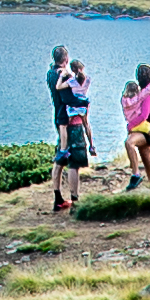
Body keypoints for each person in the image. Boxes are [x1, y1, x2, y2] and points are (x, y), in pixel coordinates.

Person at [55, 59, 94, 212]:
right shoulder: (87, 81)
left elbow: (59, 87)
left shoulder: (70, 81)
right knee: (75, 166)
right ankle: (75, 198)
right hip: (80, 125)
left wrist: (63, 75)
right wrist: (91, 143)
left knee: (69, 163)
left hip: (69, 121)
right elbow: (87, 124)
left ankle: (70, 197)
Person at [123, 61, 150, 190]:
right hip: (148, 129)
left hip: (144, 130)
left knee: (129, 143)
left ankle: (136, 175)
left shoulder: (146, 97)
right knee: (147, 162)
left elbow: (144, 116)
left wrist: (130, 125)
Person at [46, 43, 76, 211]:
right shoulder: (62, 76)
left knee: (60, 157)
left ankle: (58, 197)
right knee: (68, 157)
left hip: (57, 115)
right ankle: (73, 198)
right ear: (65, 59)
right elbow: (68, 98)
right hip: (66, 118)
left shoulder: (50, 73)